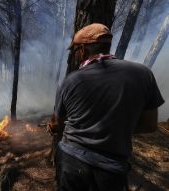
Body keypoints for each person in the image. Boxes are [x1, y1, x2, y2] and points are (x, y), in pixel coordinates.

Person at [47, 23, 165, 191]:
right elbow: (150, 125)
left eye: (74, 51)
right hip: (112, 168)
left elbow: (57, 124)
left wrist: (53, 127)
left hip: (72, 161)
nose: (74, 56)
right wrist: (115, 129)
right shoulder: (144, 74)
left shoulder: (71, 81)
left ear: (82, 50)